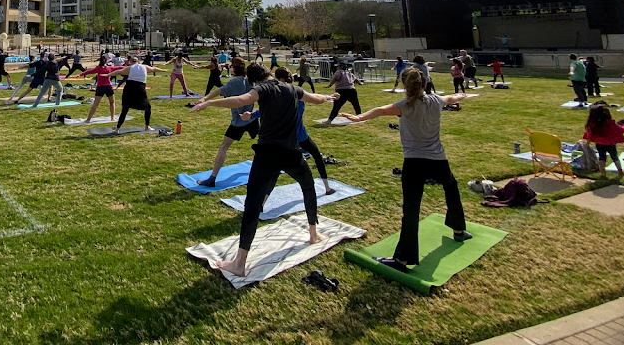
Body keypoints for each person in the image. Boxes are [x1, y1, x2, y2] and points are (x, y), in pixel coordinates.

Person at [190, 63, 339, 277]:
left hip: (267, 155)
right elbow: (315, 99)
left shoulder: (262, 89)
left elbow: (241, 100)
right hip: (292, 153)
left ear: (253, 81)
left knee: (252, 205)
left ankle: (239, 264)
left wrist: (209, 103)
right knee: (308, 186)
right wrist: (328, 98)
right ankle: (313, 234)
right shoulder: (292, 89)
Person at [339, 68, 476, 272]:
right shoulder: (435, 100)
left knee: (411, 209)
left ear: (405, 85)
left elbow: (380, 110)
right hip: (438, 159)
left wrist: (359, 118)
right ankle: (458, 229)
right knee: (451, 188)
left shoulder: (404, 105)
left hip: (415, 162)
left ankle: (402, 260)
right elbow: (452, 97)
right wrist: (464, 95)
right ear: (424, 83)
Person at [195, 58, 255, 188]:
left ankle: (212, 178)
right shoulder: (252, 81)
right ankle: (275, 166)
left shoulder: (234, 82)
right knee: (265, 142)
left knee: (224, 147)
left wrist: (205, 98)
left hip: (238, 121)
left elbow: (219, 91)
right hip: (252, 118)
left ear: (233, 69)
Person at [109, 56, 167, 134]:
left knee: (125, 109)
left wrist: (108, 75)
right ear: (138, 61)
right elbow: (154, 69)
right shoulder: (144, 67)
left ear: (130, 62)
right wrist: (163, 70)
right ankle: (147, 126)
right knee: (148, 107)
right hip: (140, 88)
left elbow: (119, 72)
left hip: (130, 88)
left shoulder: (130, 68)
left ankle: (117, 129)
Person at [584, 103, 624, 180]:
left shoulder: (593, 124)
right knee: (615, 157)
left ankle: (603, 172)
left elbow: (589, 134)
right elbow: (619, 130)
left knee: (601, 157)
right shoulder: (609, 123)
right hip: (610, 143)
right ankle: (620, 171)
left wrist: (588, 143)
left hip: (599, 143)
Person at [76, 55, 122, 122]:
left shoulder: (98, 68)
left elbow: (89, 71)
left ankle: (88, 119)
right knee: (112, 102)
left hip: (100, 87)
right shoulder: (109, 68)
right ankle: (112, 118)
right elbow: (119, 67)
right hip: (108, 87)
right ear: (106, 61)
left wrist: (80, 74)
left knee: (95, 104)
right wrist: (130, 67)